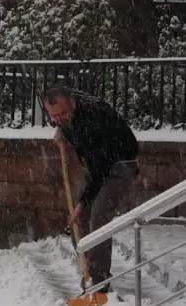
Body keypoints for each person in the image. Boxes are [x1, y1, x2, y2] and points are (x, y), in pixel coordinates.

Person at [44, 86, 139, 293]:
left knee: (98, 216)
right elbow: (92, 165)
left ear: (72, 103)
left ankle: (99, 282)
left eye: (62, 114)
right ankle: (88, 273)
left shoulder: (93, 118)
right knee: (79, 220)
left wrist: (82, 202)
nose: (59, 118)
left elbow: (99, 169)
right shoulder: (72, 111)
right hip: (98, 165)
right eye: (54, 116)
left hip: (120, 165)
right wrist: (63, 130)